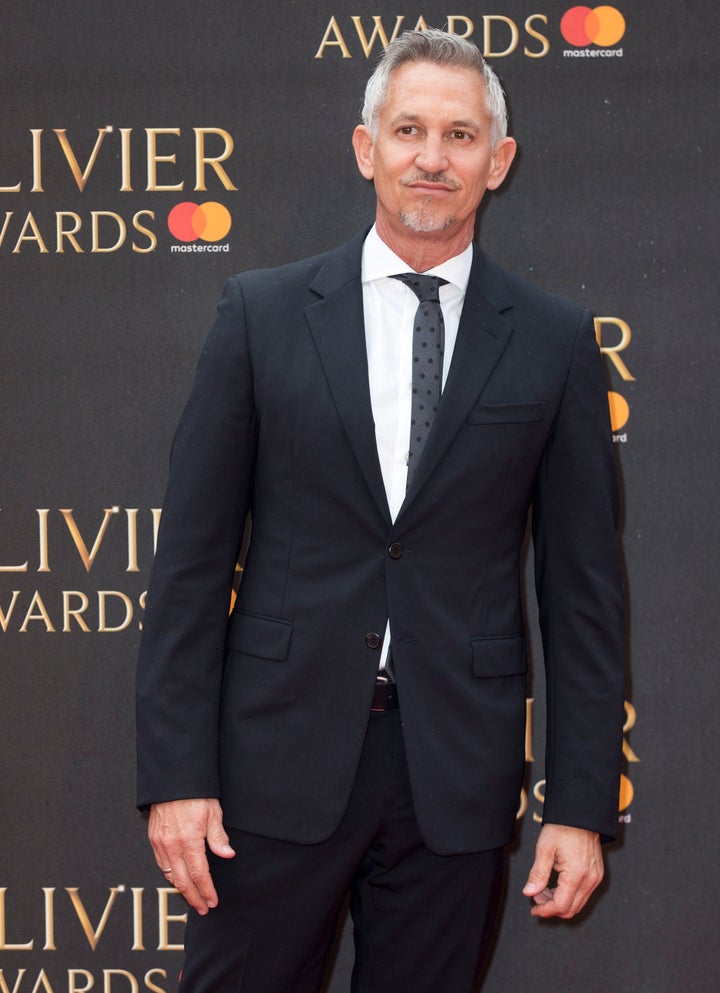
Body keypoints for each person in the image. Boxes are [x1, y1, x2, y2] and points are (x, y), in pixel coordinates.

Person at [136, 27, 626, 993]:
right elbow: (188, 565)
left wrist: (578, 805)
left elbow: (582, 595)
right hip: (270, 767)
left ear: (500, 160)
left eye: (459, 134)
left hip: (454, 773)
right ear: (367, 149)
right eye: (409, 130)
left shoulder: (557, 342)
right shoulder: (262, 314)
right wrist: (176, 779)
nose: (432, 159)